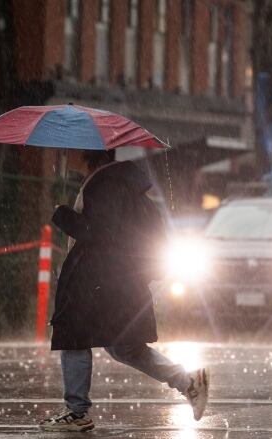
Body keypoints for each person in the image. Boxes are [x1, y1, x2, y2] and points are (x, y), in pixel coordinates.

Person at [39, 149, 209, 432]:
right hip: (117, 280)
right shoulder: (117, 181)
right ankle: (188, 382)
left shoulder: (103, 184)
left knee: (73, 333)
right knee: (125, 346)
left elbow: (101, 232)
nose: (65, 154)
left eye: (70, 150)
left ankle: (76, 411)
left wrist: (63, 215)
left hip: (100, 281)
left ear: (86, 153)